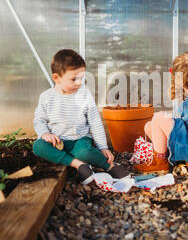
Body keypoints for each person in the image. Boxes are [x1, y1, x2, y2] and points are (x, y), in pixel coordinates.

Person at [33, 49, 130, 185]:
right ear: (56, 78)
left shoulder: (84, 95)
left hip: (79, 140)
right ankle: (78, 165)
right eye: (74, 79)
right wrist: (45, 133)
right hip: (57, 142)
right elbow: (39, 119)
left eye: (81, 78)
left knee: (84, 152)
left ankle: (110, 166)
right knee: (38, 146)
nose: (79, 83)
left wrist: (103, 147)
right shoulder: (46, 97)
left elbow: (95, 122)